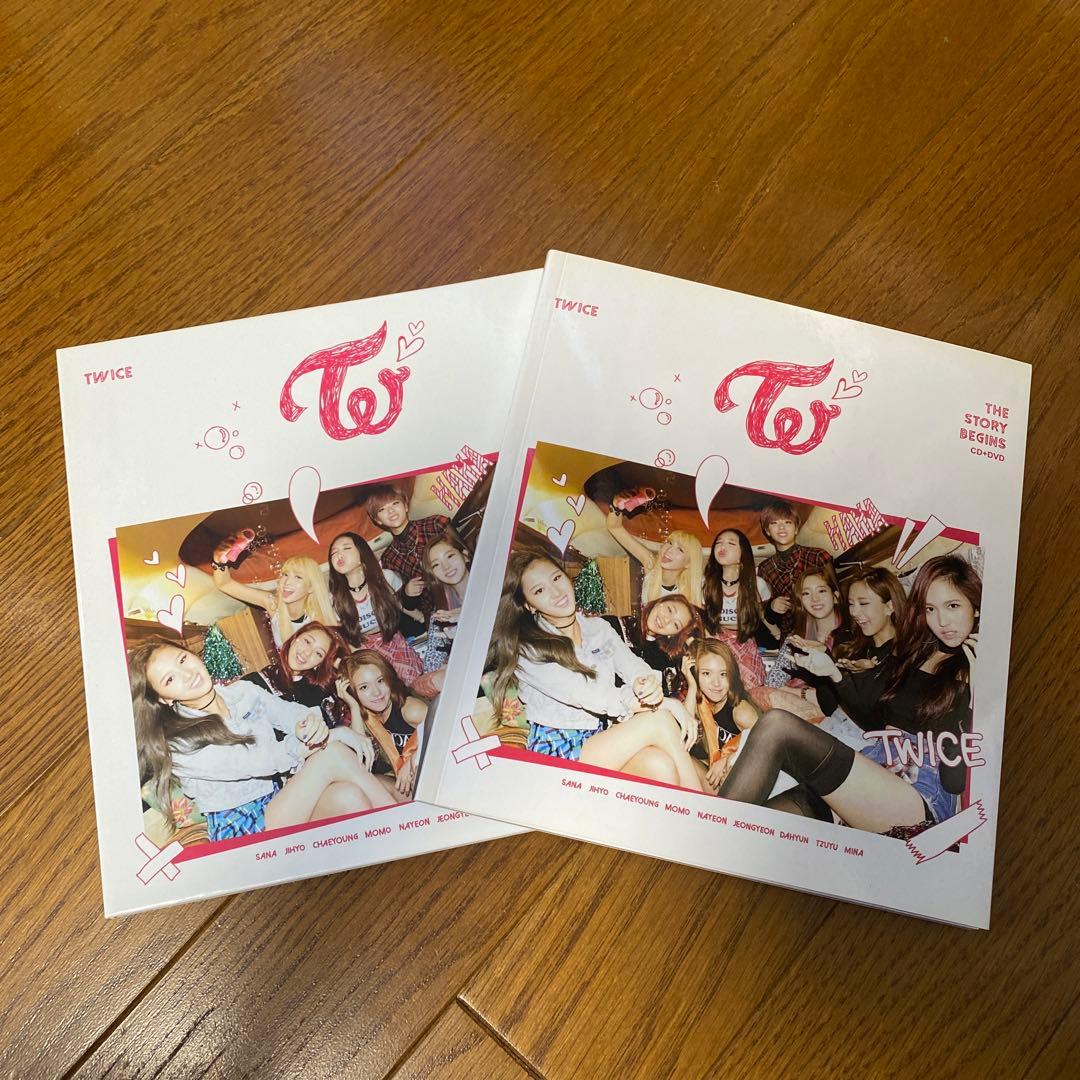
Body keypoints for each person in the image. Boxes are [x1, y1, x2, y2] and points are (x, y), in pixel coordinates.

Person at [719, 555, 980, 835]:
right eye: (930, 608)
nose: (942, 620)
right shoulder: (916, 653)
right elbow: (872, 720)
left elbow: (955, 781)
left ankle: (710, 831)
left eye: (953, 606)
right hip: (875, 767)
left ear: (975, 608)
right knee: (760, 824)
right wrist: (833, 672)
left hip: (918, 792)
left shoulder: (973, 669)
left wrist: (975, 700)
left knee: (776, 725)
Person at [130, 639, 393, 842]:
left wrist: (307, 724)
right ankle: (401, 827)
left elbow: (289, 713)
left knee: (349, 797)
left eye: (183, 660)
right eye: (170, 679)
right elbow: (264, 760)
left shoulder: (243, 692)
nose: (187, 674)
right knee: (333, 754)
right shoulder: (179, 745)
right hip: (243, 830)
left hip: (278, 803)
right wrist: (331, 736)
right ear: (164, 698)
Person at [487, 553, 704, 790]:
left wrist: (646, 683)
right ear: (529, 605)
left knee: (661, 766)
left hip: (597, 739)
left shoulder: (598, 628)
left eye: (556, 578)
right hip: (557, 750)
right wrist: (665, 704)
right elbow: (594, 695)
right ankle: (701, 809)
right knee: (659, 720)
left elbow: (631, 665)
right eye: (539, 590)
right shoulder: (527, 648)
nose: (557, 593)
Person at [792, 565, 907, 728]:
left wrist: (838, 673)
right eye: (851, 604)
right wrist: (827, 657)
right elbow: (829, 702)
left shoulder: (905, 653)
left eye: (863, 603)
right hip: (840, 726)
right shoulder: (852, 644)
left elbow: (874, 723)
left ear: (890, 607)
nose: (854, 612)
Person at [326, 531, 439, 696]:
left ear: (361, 553)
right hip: (366, 653)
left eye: (346, 548)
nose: (339, 555)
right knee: (390, 695)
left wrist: (424, 619)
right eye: (334, 553)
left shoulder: (385, 577)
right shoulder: (334, 599)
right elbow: (340, 636)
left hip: (393, 641)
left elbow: (399, 604)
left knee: (420, 687)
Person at [210, 542, 337, 649]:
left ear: (310, 587)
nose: (287, 582)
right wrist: (219, 561)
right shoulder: (273, 605)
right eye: (285, 574)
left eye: (298, 577)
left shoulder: (320, 617)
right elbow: (225, 584)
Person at [337, 650, 427, 798]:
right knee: (362, 784)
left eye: (380, 680)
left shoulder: (411, 709)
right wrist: (354, 706)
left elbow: (448, 734)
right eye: (364, 687)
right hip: (405, 787)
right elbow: (359, 762)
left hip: (430, 778)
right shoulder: (369, 717)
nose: (376, 692)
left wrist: (415, 759)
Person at [680, 638, 761, 793]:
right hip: (712, 773)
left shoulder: (740, 711)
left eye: (723, 674)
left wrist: (727, 759)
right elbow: (682, 735)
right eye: (706, 673)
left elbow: (766, 747)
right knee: (677, 757)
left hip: (742, 784)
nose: (716, 683)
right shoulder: (702, 702)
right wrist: (692, 686)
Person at [701, 528, 777, 687]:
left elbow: (763, 617)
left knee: (751, 689)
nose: (722, 547)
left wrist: (777, 634)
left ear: (743, 552)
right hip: (715, 642)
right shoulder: (705, 584)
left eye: (731, 543)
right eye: (719, 543)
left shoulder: (758, 584)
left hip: (744, 642)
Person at [244, 622, 354, 730]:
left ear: (319, 664)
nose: (307, 653)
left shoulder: (319, 696)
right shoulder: (254, 683)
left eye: (318, 653)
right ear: (295, 638)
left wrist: (354, 707)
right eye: (307, 641)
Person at [365, 484, 449, 612]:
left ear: (405, 505)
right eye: (382, 509)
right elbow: (408, 606)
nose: (391, 511)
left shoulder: (435, 524)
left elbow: (468, 555)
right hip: (435, 615)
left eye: (395, 503)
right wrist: (407, 593)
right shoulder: (389, 558)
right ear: (377, 520)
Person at [756, 500, 832, 636]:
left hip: (823, 631)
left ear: (796, 528)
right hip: (788, 636)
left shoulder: (818, 556)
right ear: (767, 531)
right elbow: (766, 616)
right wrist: (772, 607)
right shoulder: (764, 568)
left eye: (787, 522)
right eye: (774, 523)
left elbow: (836, 597)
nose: (781, 527)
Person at [606, 510, 705, 606]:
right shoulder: (651, 565)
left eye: (680, 549)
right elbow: (615, 528)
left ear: (689, 563)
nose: (669, 549)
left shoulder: (697, 586)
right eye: (670, 542)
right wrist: (616, 506)